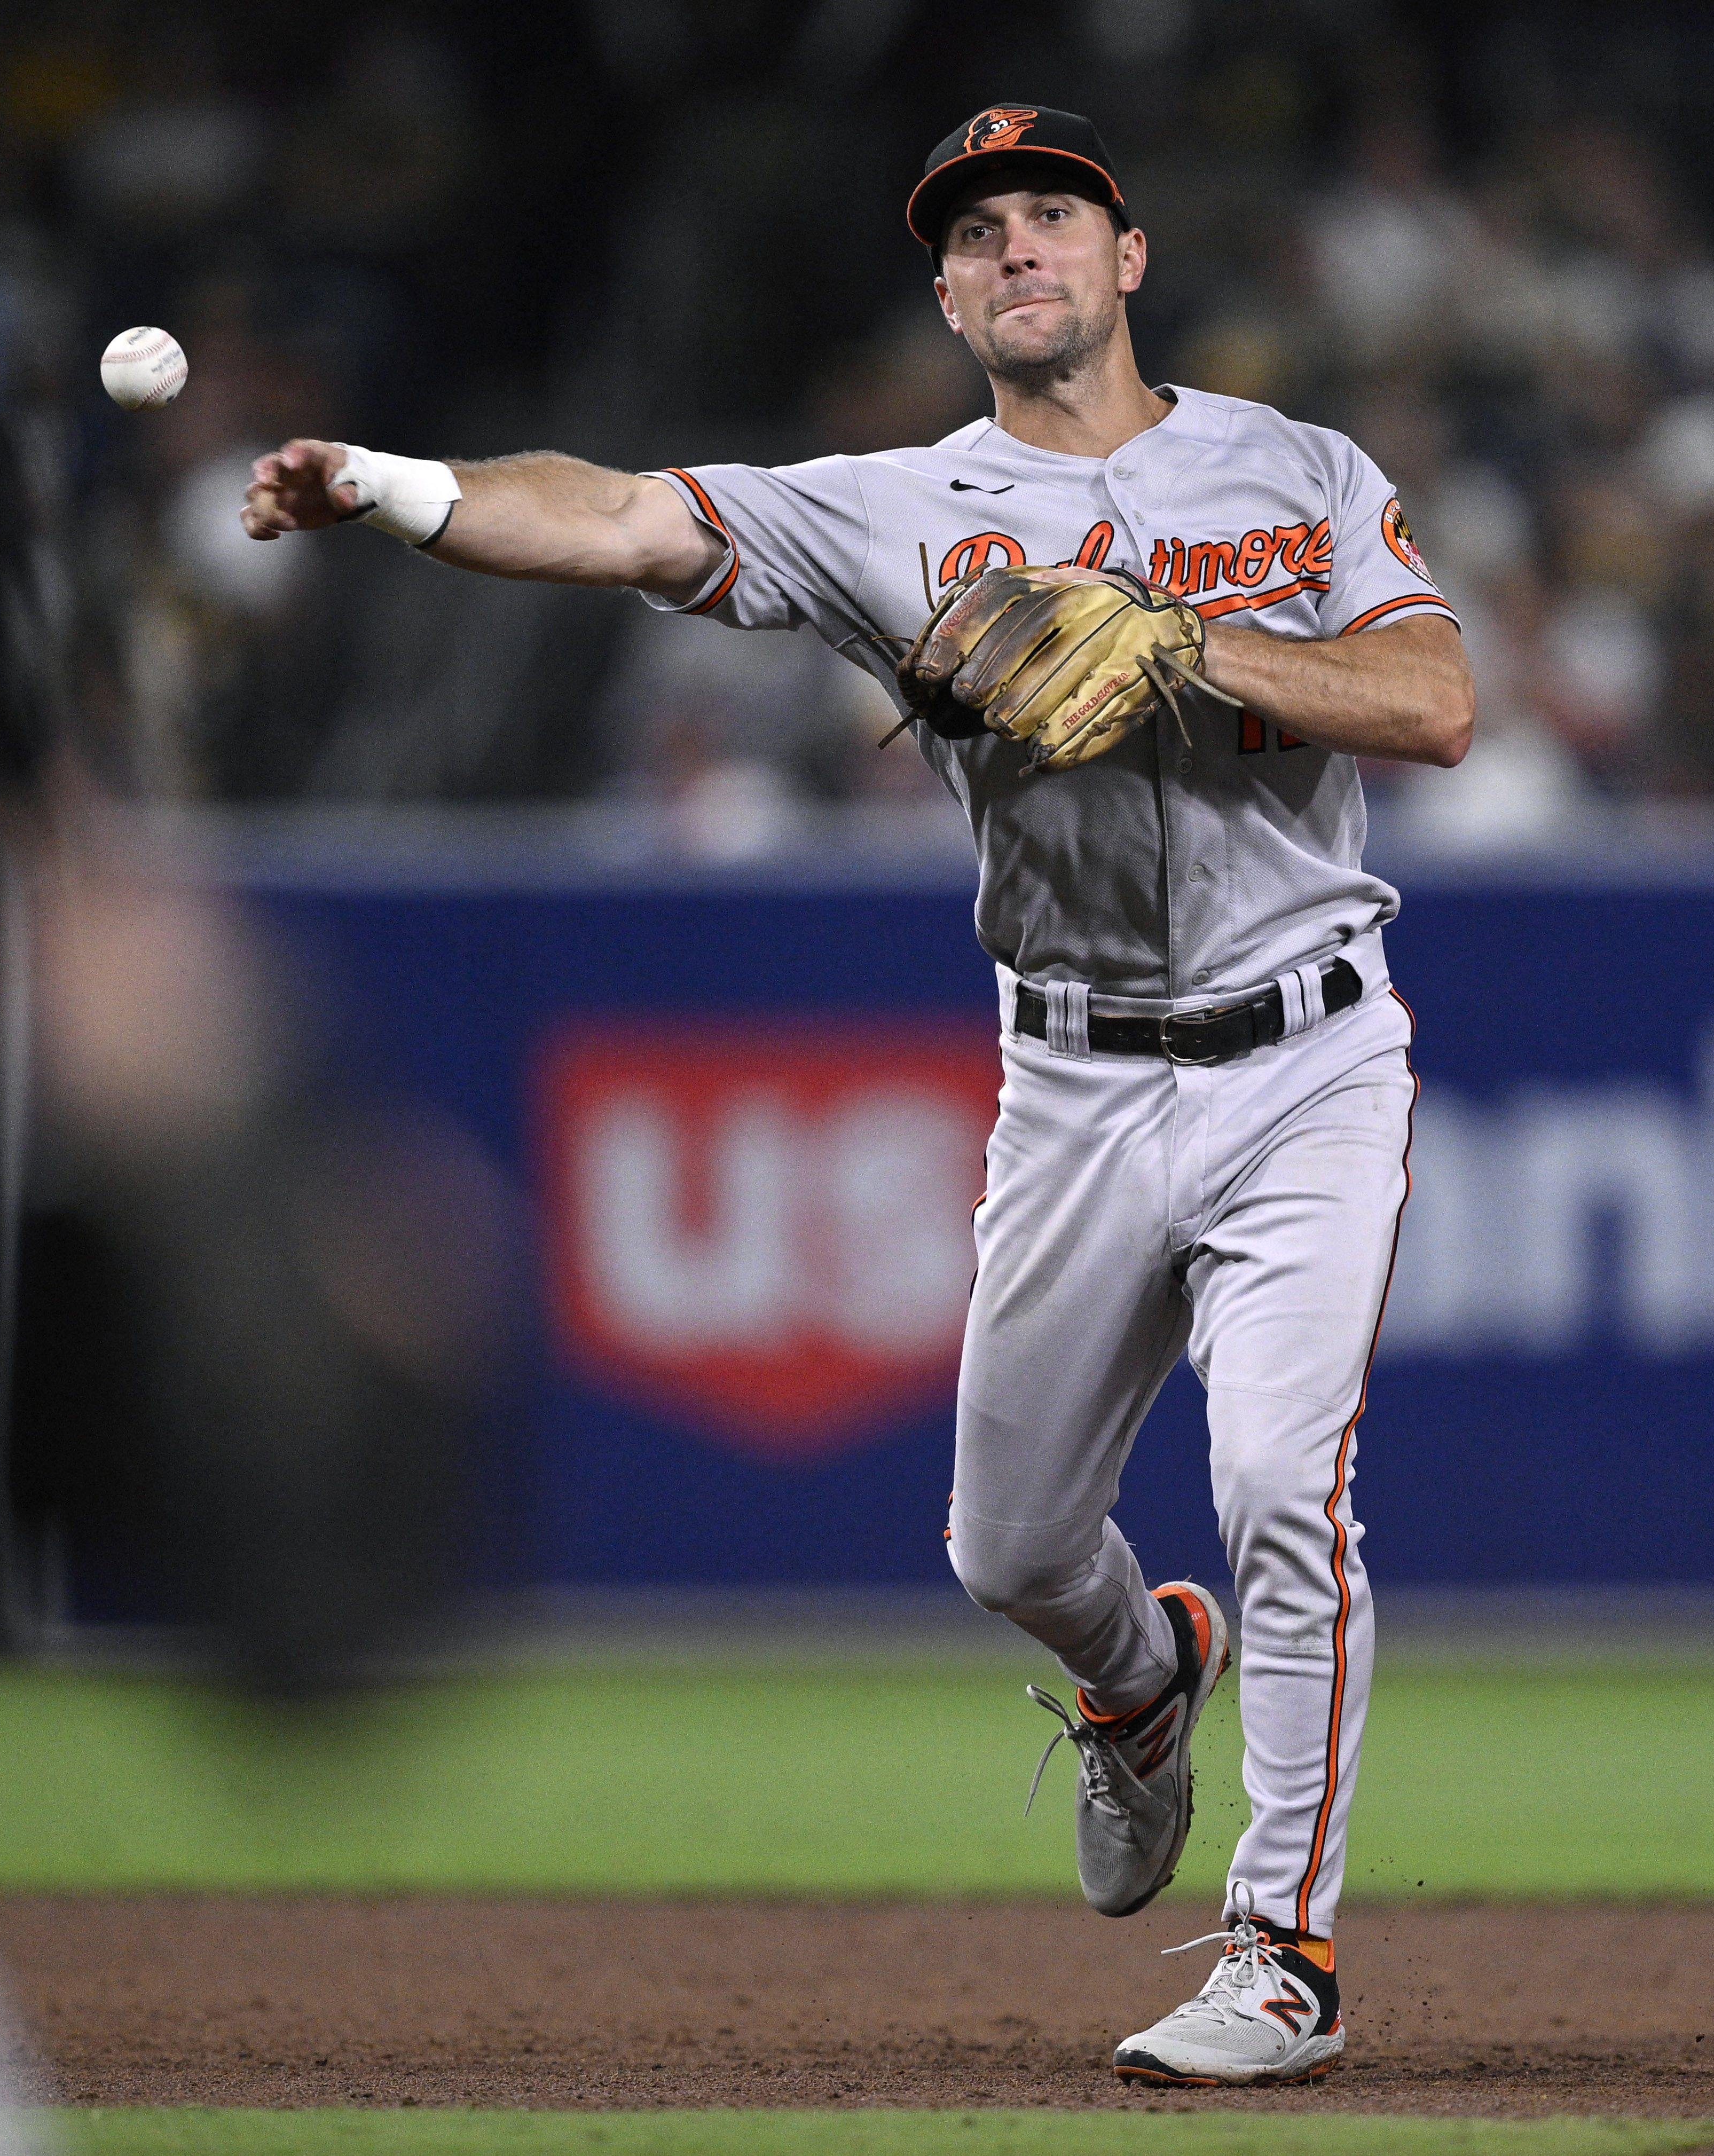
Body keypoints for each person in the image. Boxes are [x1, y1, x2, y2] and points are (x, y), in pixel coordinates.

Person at [241, 104, 1468, 2088]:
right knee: (1004, 1545)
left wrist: (1176, 651)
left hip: (1305, 1051)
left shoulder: (1296, 466)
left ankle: (1280, 1953)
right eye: (976, 231)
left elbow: (1431, 701)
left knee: (1276, 1484)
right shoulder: (893, 506)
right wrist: (389, 480)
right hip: (1069, 1070)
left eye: (1052, 214)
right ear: (944, 292)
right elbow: (624, 513)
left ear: (1127, 255)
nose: (1017, 249)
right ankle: (1137, 1682)